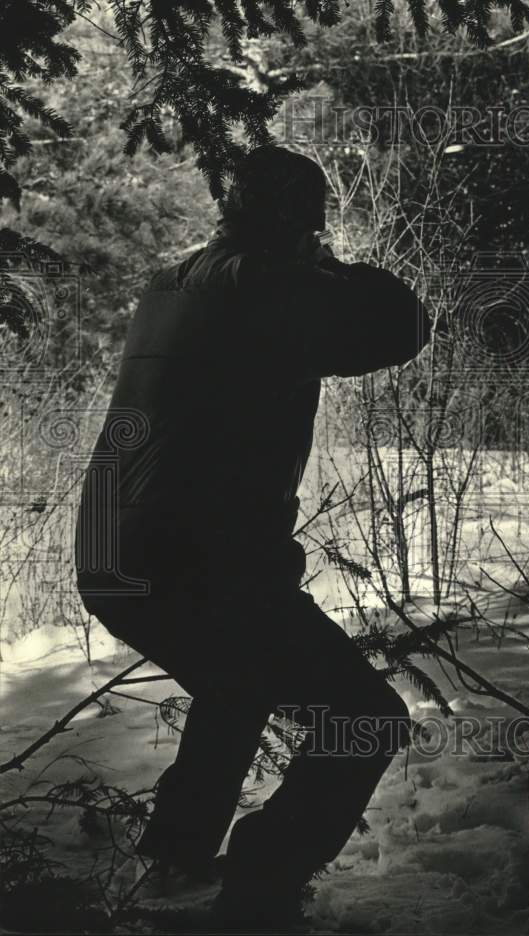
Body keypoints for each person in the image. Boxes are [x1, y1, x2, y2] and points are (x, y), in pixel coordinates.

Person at [74, 144, 431, 930]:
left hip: (115, 556)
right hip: (199, 564)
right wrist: (337, 268)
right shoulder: (269, 286)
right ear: (300, 226)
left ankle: (174, 861)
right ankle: (259, 891)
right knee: (363, 716)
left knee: (237, 681)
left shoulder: (172, 281)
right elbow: (403, 324)